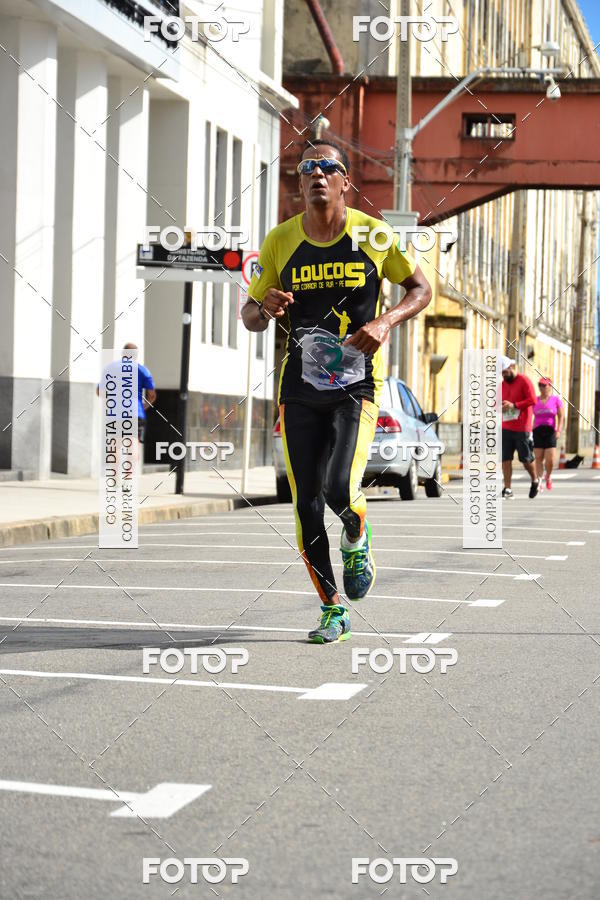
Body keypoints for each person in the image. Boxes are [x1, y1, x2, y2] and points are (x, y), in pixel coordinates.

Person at [242, 140, 431, 644]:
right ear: (299, 183)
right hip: (299, 386)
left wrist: (386, 321)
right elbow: (250, 316)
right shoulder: (280, 240)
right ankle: (332, 609)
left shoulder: (373, 233)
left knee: (339, 490)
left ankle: (356, 534)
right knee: (305, 505)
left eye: (329, 168)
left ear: (346, 181)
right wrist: (267, 308)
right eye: (308, 169)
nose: (317, 175)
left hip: (356, 384)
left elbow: (421, 289)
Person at [97, 343, 156, 462]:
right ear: (135, 355)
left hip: (116, 413)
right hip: (136, 412)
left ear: (123, 353)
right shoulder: (142, 370)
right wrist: (145, 405)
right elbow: (152, 394)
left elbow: (100, 391)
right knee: (133, 442)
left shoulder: (111, 368)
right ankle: (128, 478)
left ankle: (116, 477)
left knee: (116, 445)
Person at [501, 356, 538, 499]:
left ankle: (535, 480)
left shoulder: (524, 381)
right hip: (506, 426)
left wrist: (514, 405)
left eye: (505, 372)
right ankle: (508, 489)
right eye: (502, 374)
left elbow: (532, 400)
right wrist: (500, 407)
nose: (504, 375)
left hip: (523, 427)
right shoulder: (502, 385)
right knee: (506, 459)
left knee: (526, 459)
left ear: (511, 367)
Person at [532, 376, 564, 491]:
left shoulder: (555, 400)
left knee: (550, 459)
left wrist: (559, 430)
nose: (541, 387)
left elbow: (561, 416)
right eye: (539, 385)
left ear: (550, 387)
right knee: (538, 458)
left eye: (544, 385)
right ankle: (540, 480)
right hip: (537, 431)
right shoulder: (534, 400)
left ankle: (548, 476)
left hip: (551, 431)